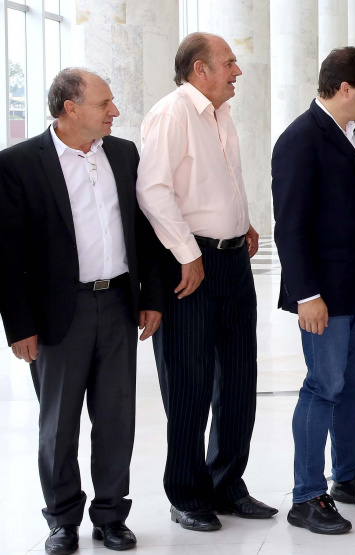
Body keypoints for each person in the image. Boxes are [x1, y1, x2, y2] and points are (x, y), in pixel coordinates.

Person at [0, 68, 165, 554]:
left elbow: (145, 232)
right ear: (71, 109)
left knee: (116, 417)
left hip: (117, 303)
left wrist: (151, 296)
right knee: (59, 422)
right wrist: (19, 326)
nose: (115, 111)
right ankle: (62, 519)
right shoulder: (19, 164)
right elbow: (6, 256)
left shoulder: (123, 153)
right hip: (57, 312)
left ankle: (112, 515)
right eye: (104, 103)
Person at [136, 32, 276, 531]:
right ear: (200, 69)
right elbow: (153, 190)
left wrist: (243, 221)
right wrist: (188, 253)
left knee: (240, 377)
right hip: (189, 263)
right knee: (190, 383)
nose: (237, 72)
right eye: (229, 63)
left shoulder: (221, 114)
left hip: (233, 260)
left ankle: (226, 484)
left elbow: (222, 180)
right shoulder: (172, 113)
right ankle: (187, 493)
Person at [272, 46, 355, 535]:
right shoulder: (299, 140)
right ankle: (307, 495)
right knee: (323, 386)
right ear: (344, 89)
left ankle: (347, 478)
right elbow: (290, 226)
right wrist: (306, 295)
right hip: (322, 292)